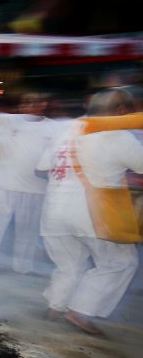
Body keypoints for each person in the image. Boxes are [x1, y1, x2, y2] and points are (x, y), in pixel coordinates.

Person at [37, 90, 143, 334]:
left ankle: (55, 308)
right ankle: (80, 312)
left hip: (54, 211)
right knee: (120, 263)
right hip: (94, 214)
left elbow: (41, 169)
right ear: (120, 112)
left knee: (69, 264)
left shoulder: (64, 130)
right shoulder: (118, 134)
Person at [0, 92, 57, 274]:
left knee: (28, 230)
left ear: (44, 104)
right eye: (26, 101)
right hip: (4, 184)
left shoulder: (54, 128)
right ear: (21, 106)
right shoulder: (9, 121)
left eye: (35, 101)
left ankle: (23, 266)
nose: (30, 105)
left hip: (36, 188)